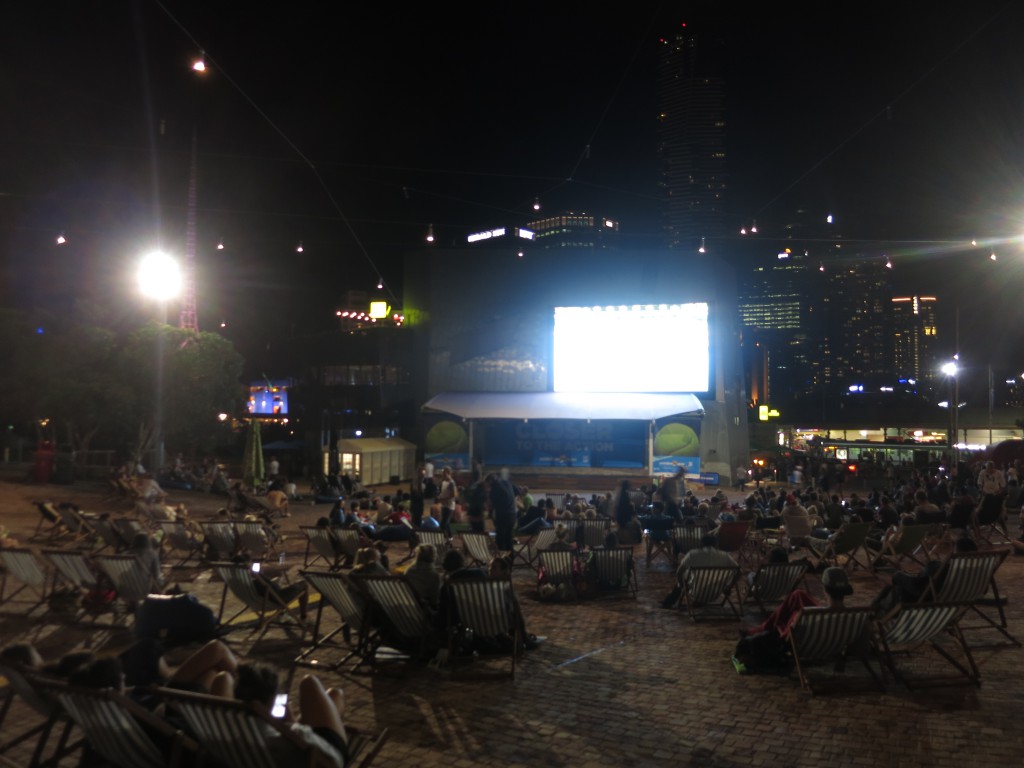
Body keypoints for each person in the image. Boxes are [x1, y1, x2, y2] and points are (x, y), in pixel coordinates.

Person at [212, 661, 349, 767]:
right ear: (271, 702)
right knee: (313, 684)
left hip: (258, 750)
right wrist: (290, 723)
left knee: (332, 696)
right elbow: (308, 744)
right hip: (324, 756)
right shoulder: (281, 738)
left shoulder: (221, 728)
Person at [486, 470, 518, 553]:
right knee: (508, 537)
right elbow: (518, 491)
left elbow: (492, 504)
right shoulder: (507, 482)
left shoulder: (494, 487)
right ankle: (510, 559)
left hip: (502, 515)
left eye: (488, 484)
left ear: (490, 481)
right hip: (512, 514)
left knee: (500, 538)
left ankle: (501, 559)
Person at [404, 543, 442, 610]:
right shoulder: (433, 575)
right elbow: (434, 601)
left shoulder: (408, 571)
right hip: (423, 608)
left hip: (408, 605)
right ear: (433, 556)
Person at [436, 467, 458, 536]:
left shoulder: (452, 482)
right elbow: (443, 492)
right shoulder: (443, 482)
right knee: (446, 523)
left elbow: (453, 495)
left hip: (449, 505)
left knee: (444, 523)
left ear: (449, 473)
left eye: (444, 474)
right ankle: (449, 537)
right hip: (444, 504)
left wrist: (443, 499)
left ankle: (445, 537)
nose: (443, 476)